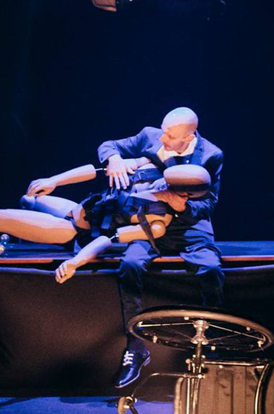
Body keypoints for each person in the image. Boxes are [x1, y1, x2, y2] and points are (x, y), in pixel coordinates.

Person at [0, 158, 207, 280]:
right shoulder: (150, 172)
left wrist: (76, 262)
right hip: (77, 208)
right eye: (169, 184)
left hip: (71, 229)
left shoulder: (155, 222)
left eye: (179, 193)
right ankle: (19, 231)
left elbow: (107, 239)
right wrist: (56, 180)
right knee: (30, 197)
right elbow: (99, 170)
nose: (167, 190)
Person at [95, 107, 224, 388]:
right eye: (164, 130)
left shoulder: (212, 155)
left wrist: (184, 205)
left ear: (189, 136)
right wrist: (114, 158)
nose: (163, 139)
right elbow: (108, 145)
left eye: (171, 135)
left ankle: (208, 344)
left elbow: (209, 203)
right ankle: (136, 346)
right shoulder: (149, 136)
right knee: (129, 265)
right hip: (147, 222)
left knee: (211, 269)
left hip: (187, 226)